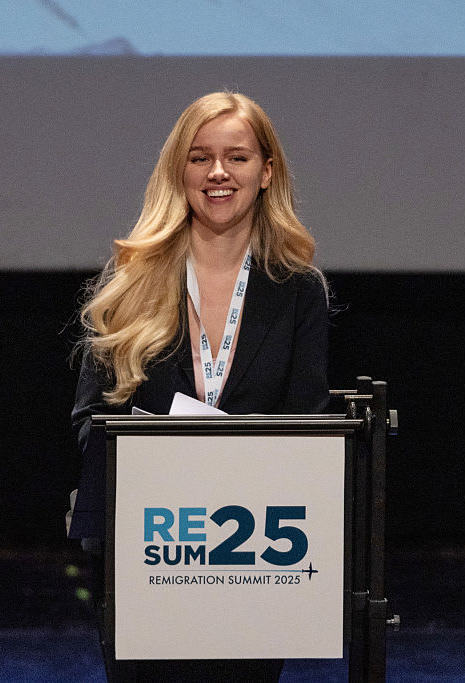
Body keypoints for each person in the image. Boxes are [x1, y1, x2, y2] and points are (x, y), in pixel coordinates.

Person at [67, 91, 330, 682]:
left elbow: (309, 430)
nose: (217, 173)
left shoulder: (297, 290)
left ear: (266, 173)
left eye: (236, 158)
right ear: (177, 172)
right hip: (151, 552)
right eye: (199, 157)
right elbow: (89, 423)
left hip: (256, 557)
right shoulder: (127, 283)